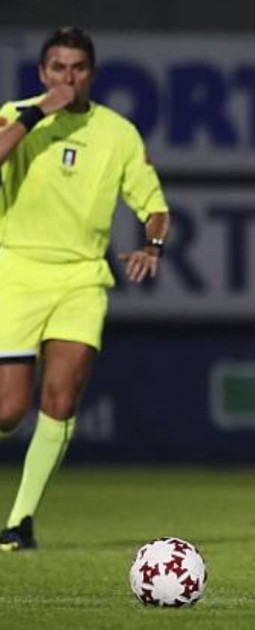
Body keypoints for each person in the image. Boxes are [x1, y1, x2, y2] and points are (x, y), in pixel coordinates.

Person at [0, 27, 169, 551]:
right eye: (57, 68)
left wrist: (152, 244)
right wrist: (36, 115)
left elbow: (154, 205)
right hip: (16, 272)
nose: (67, 77)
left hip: (81, 278)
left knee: (61, 397)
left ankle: (19, 523)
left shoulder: (117, 133)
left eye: (77, 68)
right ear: (42, 73)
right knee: (7, 412)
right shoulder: (16, 114)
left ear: (91, 75)